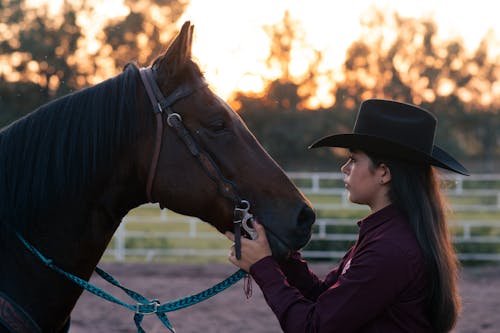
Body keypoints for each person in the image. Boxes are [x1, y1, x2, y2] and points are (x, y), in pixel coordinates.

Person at [226, 99, 469, 333]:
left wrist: (263, 267)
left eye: (354, 160)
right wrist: (281, 253)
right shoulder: (386, 235)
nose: (345, 168)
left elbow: (313, 327)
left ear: (383, 173)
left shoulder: (390, 249)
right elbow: (324, 298)